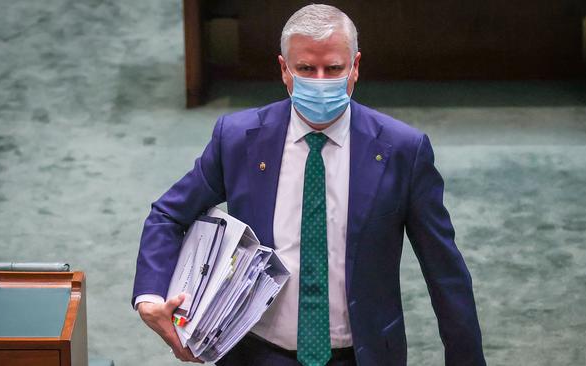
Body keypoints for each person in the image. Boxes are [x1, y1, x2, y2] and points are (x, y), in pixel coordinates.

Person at [132, 4, 486, 366]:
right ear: (285, 70)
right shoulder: (239, 139)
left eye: (333, 68)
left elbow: (445, 274)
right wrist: (150, 296)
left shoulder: (403, 151)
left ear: (355, 67)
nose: (320, 81)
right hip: (255, 353)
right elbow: (167, 216)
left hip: (361, 356)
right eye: (305, 68)